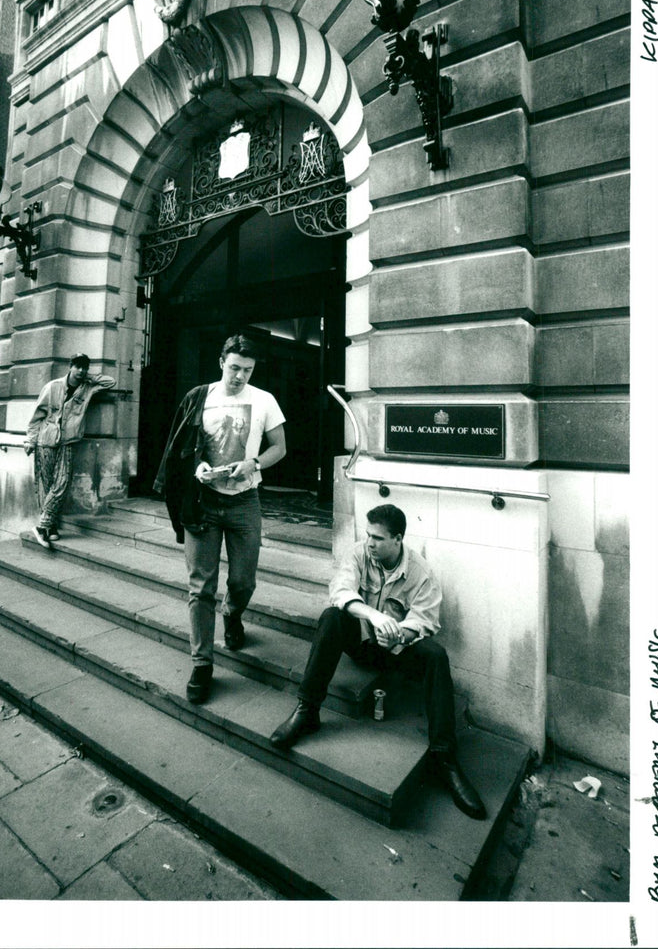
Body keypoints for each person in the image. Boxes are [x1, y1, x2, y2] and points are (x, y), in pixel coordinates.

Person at [269, 503, 487, 820]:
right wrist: (372, 615)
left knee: (436, 656)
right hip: (361, 643)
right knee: (332, 616)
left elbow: (426, 620)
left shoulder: (421, 574)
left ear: (398, 539)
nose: (370, 543)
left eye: (378, 538)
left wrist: (400, 635)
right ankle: (307, 710)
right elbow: (340, 590)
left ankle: (444, 757)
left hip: (397, 651)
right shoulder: (359, 554)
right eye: (368, 535)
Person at [154, 335, 286, 705]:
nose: (239, 376)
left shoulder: (264, 401)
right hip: (203, 502)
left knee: (243, 580)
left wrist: (254, 463)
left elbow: (280, 447)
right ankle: (202, 663)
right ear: (220, 362)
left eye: (247, 370)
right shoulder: (200, 397)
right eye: (234, 368)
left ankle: (233, 613)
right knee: (201, 586)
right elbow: (180, 449)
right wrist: (198, 466)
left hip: (245, 501)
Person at [24, 354, 116, 549]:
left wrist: (89, 377)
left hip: (68, 441)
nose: (81, 370)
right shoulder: (52, 387)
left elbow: (110, 382)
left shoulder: (88, 386)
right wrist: (30, 441)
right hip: (46, 440)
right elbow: (37, 416)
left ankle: (42, 526)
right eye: (78, 367)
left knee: (61, 483)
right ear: (70, 366)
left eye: (85, 367)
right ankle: (50, 526)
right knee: (45, 486)